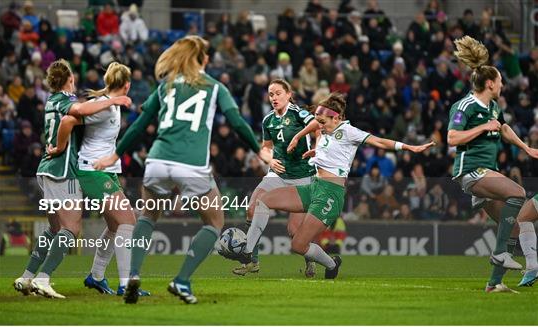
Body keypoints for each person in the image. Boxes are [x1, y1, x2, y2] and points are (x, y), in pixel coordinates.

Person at [93, 36, 271, 304]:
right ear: (203, 59)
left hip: (157, 160)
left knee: (147, 217)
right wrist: (259, 150)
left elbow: (140, 124)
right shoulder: (215, 87)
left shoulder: (165, 85)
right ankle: (182, 280)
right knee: (214, 221)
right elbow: (236, 122)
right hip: (191, 164)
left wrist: (114, 155)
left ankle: (132, 276)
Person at [234, 93, 433, 278]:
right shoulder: (326, 132)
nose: (319, 126)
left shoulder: (348, 131)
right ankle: (248, 252)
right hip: (314, 187)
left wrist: (408, 147)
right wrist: (312, 150)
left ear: (336, 118)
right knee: (263, 200)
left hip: (331, 193)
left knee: (298, 245)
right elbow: (321, 138)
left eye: (322, 122)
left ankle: (331, 264)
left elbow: (379, 142)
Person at [13, 59, 132, 298]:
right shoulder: (66, 101)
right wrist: (60, 146)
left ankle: (27, 277)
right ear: (70, 79)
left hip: (46, 170)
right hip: (62, 170)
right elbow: (74, 115)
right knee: (71, 228)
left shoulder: (51, 101)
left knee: (54, 229)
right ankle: (44, 279)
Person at [47, 62, 149, 297]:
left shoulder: (111, 105)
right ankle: (125, 285)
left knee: (115, 226)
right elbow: (67, 121)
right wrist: (60, 148)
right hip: (92, 171)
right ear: (127, 85)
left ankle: (96, 276)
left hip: (106, 171)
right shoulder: (103, 106)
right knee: (128, 221)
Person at [448, 36, 538, 292]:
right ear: (489, 83)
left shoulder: (494, 108)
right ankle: (499, 254)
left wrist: (526, 148)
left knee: (511, 228)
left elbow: (504, 128)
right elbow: (452, 138)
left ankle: (494, 283)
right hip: (470, 172)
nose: (503, 84)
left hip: (487, 174)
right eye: (500, 81)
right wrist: (483, 127)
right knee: (518, 193)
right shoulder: (465, 106)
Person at [232, 79, 318, 277]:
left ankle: (310, 259)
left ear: (289, 94)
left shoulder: (298, 113)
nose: (274, 98)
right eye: (271, 95)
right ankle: (251, 261)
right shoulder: (268, 120)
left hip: (302, 176)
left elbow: (316, 123)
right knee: (252, 208)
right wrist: (269, 161)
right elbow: (266, 148)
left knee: (294, 231)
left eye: (278, 93)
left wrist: (298, 137)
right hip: (277, 174)